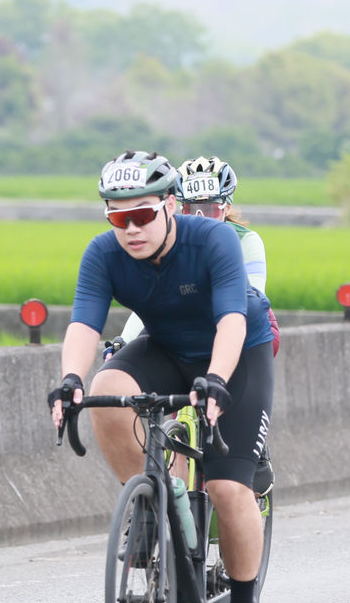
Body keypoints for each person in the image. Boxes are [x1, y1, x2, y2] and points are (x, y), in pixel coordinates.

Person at [48, 149, 275, 603]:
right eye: (118, 218)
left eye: (142, 215)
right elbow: (84, 324)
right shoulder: (103, 253)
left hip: (237, 353)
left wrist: (217, 380)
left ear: (170, 205)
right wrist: (70, 381)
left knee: (227, 487)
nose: (130, 229)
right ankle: (154, 498)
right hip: (168, 348)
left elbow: (232, 319)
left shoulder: (213, 239)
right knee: (107, 388)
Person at [113, 154, 277, 495]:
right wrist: (123, 340)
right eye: (191, 209)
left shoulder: (246, 241)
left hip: (243, 322)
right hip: (186, 323)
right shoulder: (167, 242)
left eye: (210, 209)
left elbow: (250, 298)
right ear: (176, 207)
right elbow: (147, 302)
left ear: (226, 207)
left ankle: (254, 445)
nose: (200, 217)